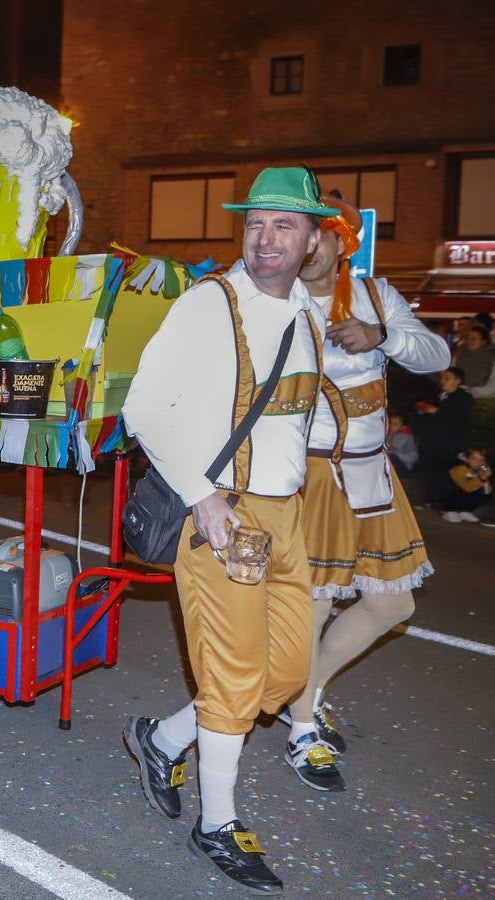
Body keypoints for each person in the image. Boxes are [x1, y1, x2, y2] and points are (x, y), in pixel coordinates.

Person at [120, 166, 333, 894]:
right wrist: (204, 497)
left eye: (284, 225)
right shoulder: (209, 304)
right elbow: (144, 408)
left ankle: (163, 738)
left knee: (289, 672)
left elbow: (298, 414)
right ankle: (216, 825)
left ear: (312, 240)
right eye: (255, 223)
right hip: (221, 514)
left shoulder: (309, 313)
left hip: (286, 515)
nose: (265, 239)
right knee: (236, 678)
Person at [282, 195, 447, 792]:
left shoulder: (378, 294)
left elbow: (437, 354)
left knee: (392, 604)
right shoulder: (276, 298)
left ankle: (307, 691)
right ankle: (302, 729)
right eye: (295, 233)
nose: (304, 246)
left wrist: (382, 337)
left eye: (315, 235)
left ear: (339, 242)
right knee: (315, 605)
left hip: (373, 472)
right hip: (313, 474)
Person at [413, 367, 472, 498]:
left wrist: (434, 410)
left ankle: (444, 503)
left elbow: (454, 419)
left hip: (449, 444)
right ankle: (429, 499)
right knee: (429, 472)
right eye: (442, 378)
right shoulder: (438, 395)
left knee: (445, 474)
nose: (443, 381)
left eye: (447, 378)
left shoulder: (464, 398)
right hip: (431, 442)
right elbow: (421, 407)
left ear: (458, 381)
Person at [431, 448, 492, 521]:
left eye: (482, 460)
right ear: (466, 459)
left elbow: (487, 492)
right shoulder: (459, 467)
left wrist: (485, 479)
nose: (478, 462)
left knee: (484, 493)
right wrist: (482, 478)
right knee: (458, 489)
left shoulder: (479, 471)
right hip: (446, 499)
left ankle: (464, 512)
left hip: (463, 501)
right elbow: (466, 488)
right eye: (474, 459)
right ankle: (447, 511)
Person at [454, 325, 495, 395]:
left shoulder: (492, 356)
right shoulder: (460, 354)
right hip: (461, 394)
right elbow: (453, 375)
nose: (469, 341)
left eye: (473, 339)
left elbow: (492, 385)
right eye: (467, 338)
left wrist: (469, 391)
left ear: (484, 341)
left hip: (486, 397)